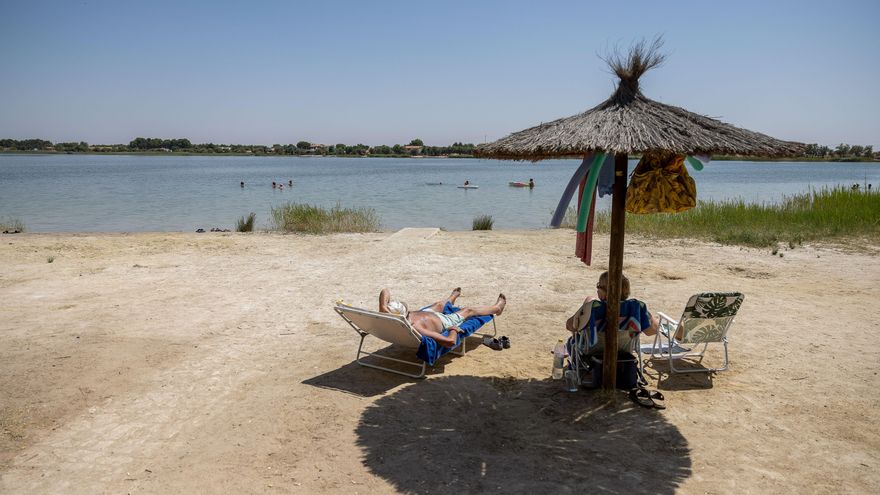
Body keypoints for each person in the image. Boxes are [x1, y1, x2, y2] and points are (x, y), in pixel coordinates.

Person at [379, 287, 506, 348]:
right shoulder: (415, 327)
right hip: (444, 321)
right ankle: (497, 308)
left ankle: (451, 298)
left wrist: (385, 309)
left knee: (439, 304)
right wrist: (454, 329)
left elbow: (385, 291)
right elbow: (449, 342)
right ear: (404, 314)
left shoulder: (386, 317)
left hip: (423, 314)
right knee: (468, 310)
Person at [565, 271, 659, 348]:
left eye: (599, 286)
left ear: (604, 291)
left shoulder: (593, 309)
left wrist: (586, 305)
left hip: (593, 352)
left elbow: (570, 325)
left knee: (570, 343)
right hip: (624, 353)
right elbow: (652, 331)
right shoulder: (636, 307)